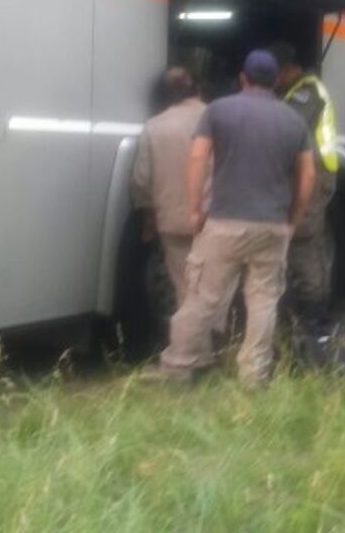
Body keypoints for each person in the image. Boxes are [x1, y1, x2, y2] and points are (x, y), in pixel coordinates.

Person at [155, 50, 315, 386]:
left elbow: (198, 159)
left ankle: (179, 366)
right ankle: (254, 375)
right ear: (276, 81)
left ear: (243, 78)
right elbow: (307, 176)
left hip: (225, 222)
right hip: (272, 226)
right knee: (263, 301)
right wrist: (292, 220)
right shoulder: (294, 120)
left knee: (202, 297)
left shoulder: (218, 110)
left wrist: (195, 209)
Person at [269, 42, 338, 334]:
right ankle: (316, 314)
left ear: (288, 70)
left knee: (303, 243)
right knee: (311, 246)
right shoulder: (297, 91)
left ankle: (314, 320)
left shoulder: (306, 93)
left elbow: (286, 125)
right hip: (310, 173)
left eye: (276, 74)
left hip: (313, 175)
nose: (274, 81)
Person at [131, 67, 207, 306]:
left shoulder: (153, 126)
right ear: (197, 88)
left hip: (173, 222)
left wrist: (149, 218)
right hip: (214, 221)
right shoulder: (218, 118)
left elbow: (141, 179)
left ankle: (192, 329)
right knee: (215, 289)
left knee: (186, 290)